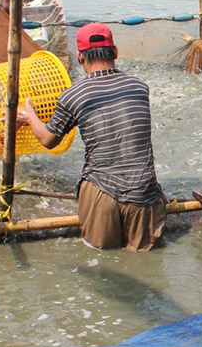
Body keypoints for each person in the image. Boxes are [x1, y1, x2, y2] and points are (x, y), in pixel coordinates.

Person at [16, 23, 167, 252]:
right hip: (142, 193)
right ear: (115, 52)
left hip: (101, 193)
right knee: (144, 257)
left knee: (101, 259)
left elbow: (48, 140)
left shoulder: (73, 96)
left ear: (80, 57)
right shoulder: (139, 87)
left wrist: (30, 117)